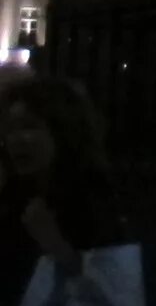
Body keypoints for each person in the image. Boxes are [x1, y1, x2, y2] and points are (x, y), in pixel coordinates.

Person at [1, 77, 134, 285]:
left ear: (62, 131)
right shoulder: (15, 194)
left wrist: (53, 241)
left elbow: (109, 285)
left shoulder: (91, 198)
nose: (17, 139)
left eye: (29, 127)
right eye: (10, 129)